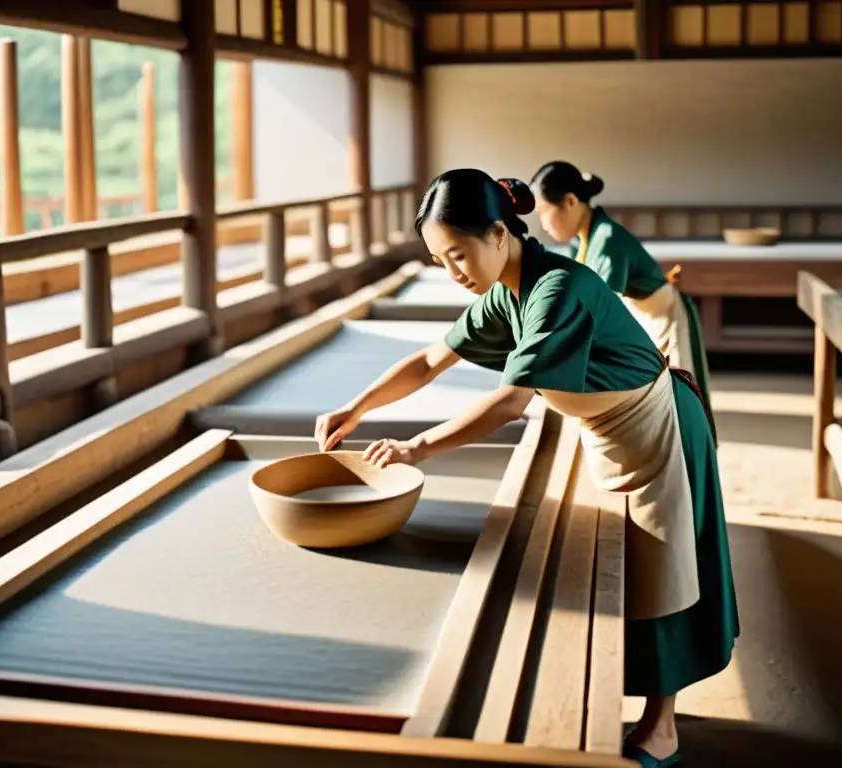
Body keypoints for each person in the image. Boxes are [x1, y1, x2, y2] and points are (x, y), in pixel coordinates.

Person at [314, 169, 739, 767]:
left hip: (658, 429)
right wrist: (357, 407)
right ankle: (633, 701)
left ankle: (662, 725)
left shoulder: (555, 288)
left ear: (497, 234)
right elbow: (429, 361)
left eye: (457, 254)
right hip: (609, 432)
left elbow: (513, 400)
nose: (452, 271)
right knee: (631, 572)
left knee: (662, 575)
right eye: (439, 260)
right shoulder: (503, 294)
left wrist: (419, 447)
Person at [529, 160, 715, 439]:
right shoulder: (581, 239)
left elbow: (596, 307)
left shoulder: (607, 238)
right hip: (642, 316)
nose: (542, 222)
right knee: (656, 401)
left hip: (666, 319)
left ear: (569, 201)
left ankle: (692, 457)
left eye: (544, 210)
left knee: (681, 402)